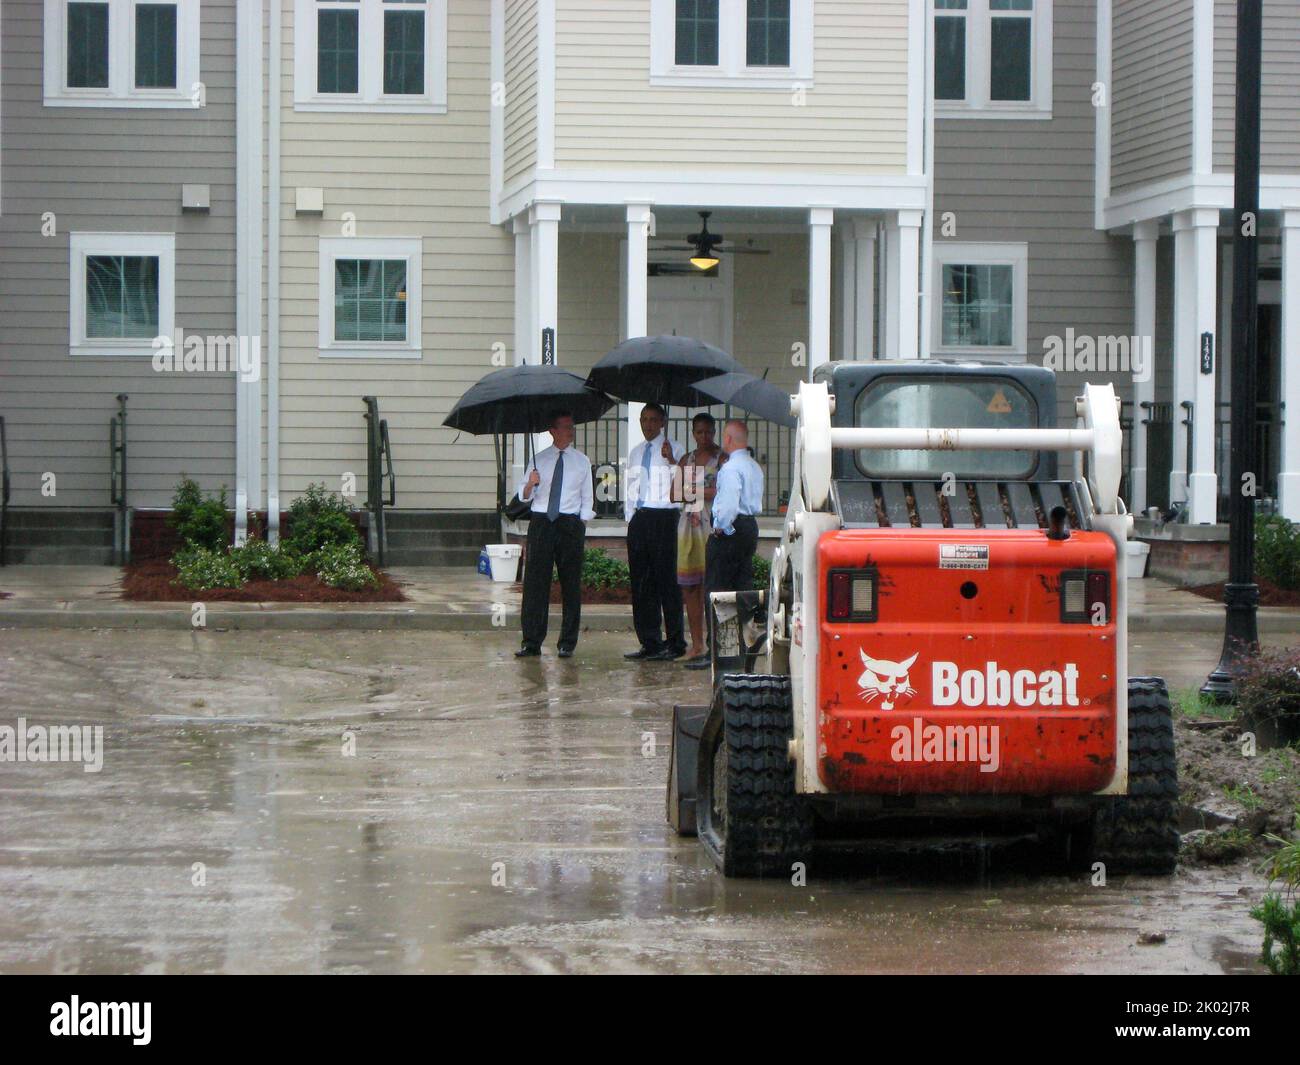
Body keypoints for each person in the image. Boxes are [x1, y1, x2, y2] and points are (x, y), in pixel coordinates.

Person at [514, 411, 594, 659]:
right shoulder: (539, 460)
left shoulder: (581, 461)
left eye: (572, 427)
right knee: (536, 584)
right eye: (566, 427)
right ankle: (532, 641)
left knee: (570, 584)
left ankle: (567, 642)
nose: (570, 431)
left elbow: (587, 498)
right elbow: (523, 496)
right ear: (553, 430)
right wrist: (531, 483)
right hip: (542, 523)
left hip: (569, 523)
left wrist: (579, 523)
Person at [686, 420, 764, 671]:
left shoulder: (731, 469)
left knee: (718, 590)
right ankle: (740, 649)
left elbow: (729, 504)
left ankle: (719, 652)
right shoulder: (754, 466)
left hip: (731, 529)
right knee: (741, 586)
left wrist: (719, 527)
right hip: (749, 527)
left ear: (729, 439)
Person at [623, 403, 687, 661]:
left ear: (662, 422)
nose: (648, 425)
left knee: (668, 582)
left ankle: (675, 642)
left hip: (666, 517)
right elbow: (630, 485)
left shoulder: (678, 449)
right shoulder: (636, 452)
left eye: (653, 420)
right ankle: (649, 641)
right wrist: (631, 518)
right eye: (644, 419)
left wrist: (672, 460)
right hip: (641, 518)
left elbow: (685, 488)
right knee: (642, 583)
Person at [674, 413, 721, 664]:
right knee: (690, 586)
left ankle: (715, 645)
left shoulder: (721, 458)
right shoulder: (686, 459)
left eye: (708, 432)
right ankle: (696, 644)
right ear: (693, 433)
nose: (704, 437)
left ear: (714, 432)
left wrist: (693, 490)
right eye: (699, 432)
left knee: (711, 586)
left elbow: (721, 489)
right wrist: (695, 491)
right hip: (688, 527)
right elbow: (674, 492)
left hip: (712, 525)